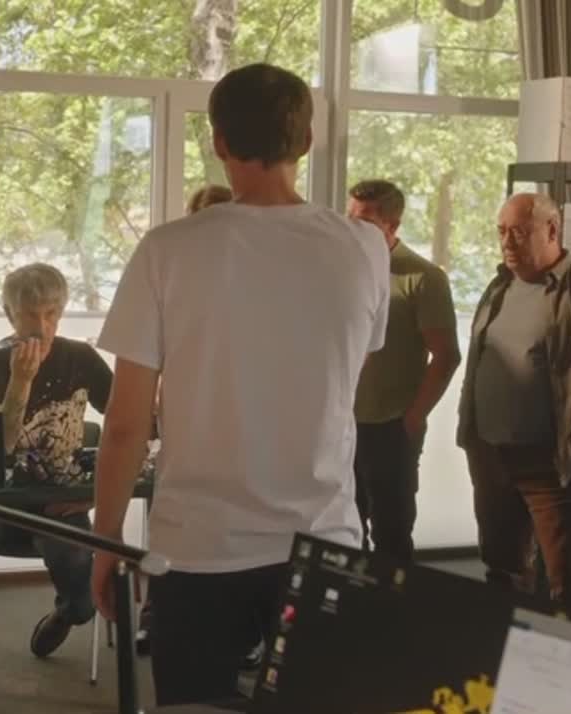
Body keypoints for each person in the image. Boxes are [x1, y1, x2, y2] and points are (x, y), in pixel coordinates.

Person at [90, 63, 390, 706]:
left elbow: (126, 422)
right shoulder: (366, 247)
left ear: (219, 141)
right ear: (306, 141)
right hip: (323, 539)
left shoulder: (167, 250)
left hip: (198, 545)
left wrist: (107, 536)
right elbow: (347, 375)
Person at [0, 263, 113, 714]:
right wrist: (21, 382)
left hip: (59, 499)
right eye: (31, 315)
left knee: (84, 602)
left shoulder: (82, 359)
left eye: (52, 314)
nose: (42, 326)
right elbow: (1, 446)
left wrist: (94, 492)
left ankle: (67, 612)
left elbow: (132, 426)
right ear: (10, 315)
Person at [457, 192, 571, 610]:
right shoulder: (499, 286)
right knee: (503, 569)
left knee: (569, 579)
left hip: (551, 463)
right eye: (501, 231)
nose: (507, 241)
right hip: (492, 456)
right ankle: (507, 644)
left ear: (552, 230)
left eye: (518, 232)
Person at [134, 181, 235, 660]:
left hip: (230, 433)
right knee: (168, 520)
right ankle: (154, 614)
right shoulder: (171, 266)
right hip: (179, 430)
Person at [347, 179, 461, 561]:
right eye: (350, 218)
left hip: (391, 426)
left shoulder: (422, 277)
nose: (353, 228)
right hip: (344, 424)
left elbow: (446, 356)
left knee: (392, 533)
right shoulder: (344, 270)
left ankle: (390, 599)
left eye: (364, 221)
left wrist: (413, 418)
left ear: (392, 225)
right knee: (345, 529)